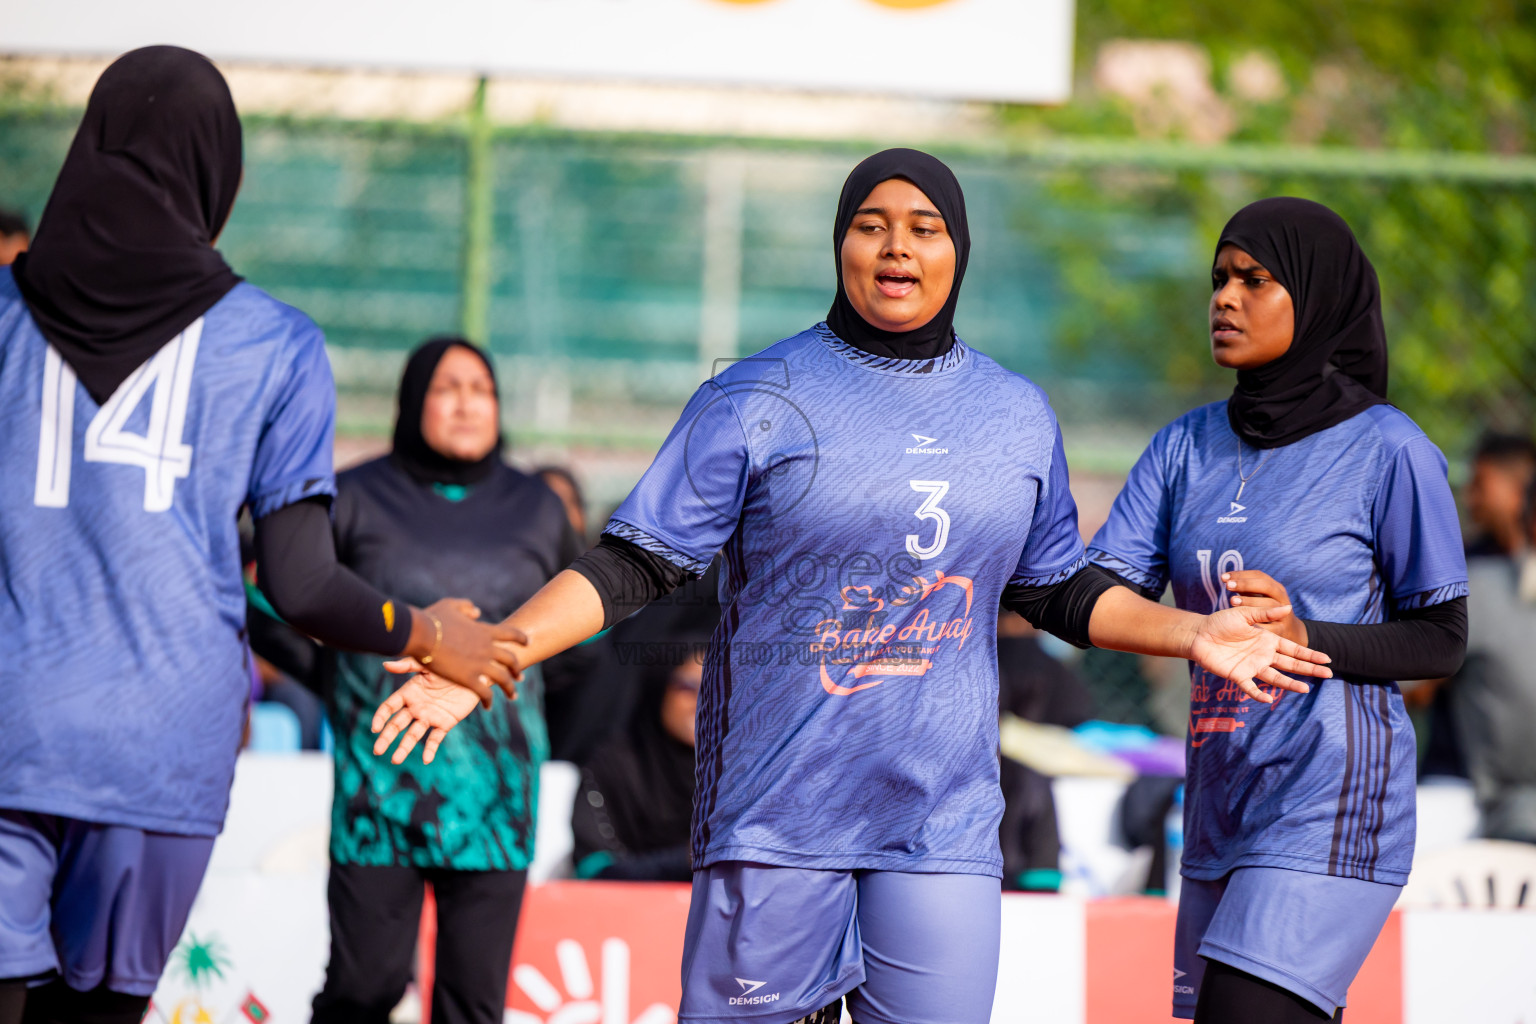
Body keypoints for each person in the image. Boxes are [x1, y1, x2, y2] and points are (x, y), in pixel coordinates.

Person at [371, 150, 1330, 1024]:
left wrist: (1191, 632)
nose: (897, 246)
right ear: (841, 245)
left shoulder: (1015, 412)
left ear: (959, 251)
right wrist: (490, 654)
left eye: (925, 227)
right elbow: (635, 563)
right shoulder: (756, 394)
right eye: (872, 225)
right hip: (776, 821)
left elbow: (1059, 593)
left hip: (941, 826)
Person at [0, 49, 519, 1024]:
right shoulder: (274, 342)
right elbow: (302, 581)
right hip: (159, 745)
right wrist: (427, 633)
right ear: (218, 177)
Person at [1088, 198, 1469, 1023]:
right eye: (1219, 279)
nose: (1225, 298)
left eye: (1254, 280)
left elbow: (1442, 639)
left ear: (1317, 294)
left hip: (1329, 802)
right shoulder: (1183, 446)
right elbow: (1097, 593)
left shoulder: (1390, 450)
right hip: (1222, 800)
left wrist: (1304, 635)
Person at [249, 337, 578, 1024]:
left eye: (481, 389)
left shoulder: (538, 508)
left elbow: (574, 635)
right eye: (446, 388)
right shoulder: (353, 495)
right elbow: (275, 598)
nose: (466, 404)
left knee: (472, 1004)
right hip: (380, 788)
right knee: (363, 989)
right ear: (411, 401)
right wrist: (339, 680)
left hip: (495, 796)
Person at [572, 633, 707, 882]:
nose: (703, 703)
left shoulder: (742, 775)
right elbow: (591, 869)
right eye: (689, 687)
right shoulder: (611, 768)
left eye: (718, 691)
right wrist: (688, 859)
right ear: (659, 687)